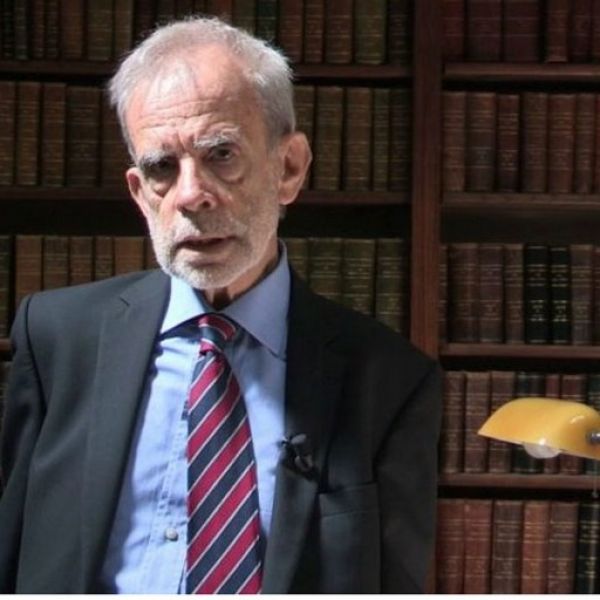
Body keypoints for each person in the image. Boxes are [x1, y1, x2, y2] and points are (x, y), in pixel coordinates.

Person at [0, 16, 442, 594]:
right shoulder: (56, 338)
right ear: (139, 192)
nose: (191, 195)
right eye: (162, 168)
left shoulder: (391, 381)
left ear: (288, 169)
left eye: (222, 154)